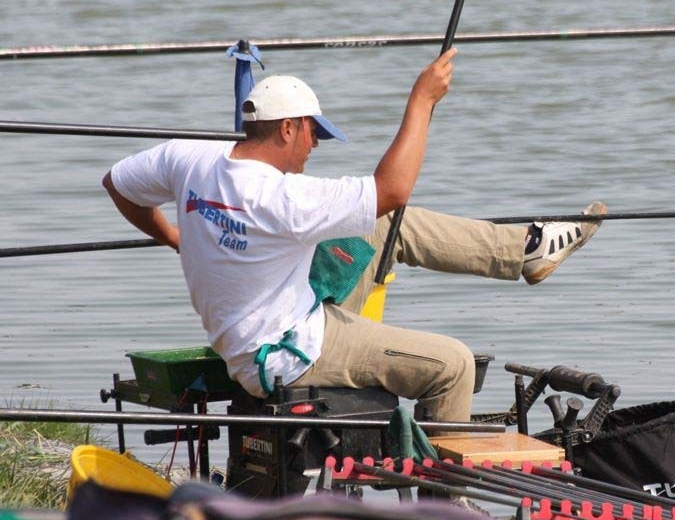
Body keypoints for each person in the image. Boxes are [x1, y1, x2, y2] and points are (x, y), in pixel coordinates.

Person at [103, 49, 604, 422]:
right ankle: (447, 506)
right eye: (314, 133)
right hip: (290, 353)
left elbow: (117, 184)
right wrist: (422, 100)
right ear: (287, 130)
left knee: (382, 224)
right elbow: (392, 187)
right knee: (453, 365)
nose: (315, 145)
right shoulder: (284, 201)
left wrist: (176, 237)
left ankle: (526, 251)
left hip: (256, 324)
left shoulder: (189, 158)